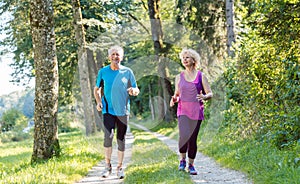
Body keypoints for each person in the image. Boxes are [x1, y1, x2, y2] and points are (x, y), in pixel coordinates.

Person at [94, 45, 140, 179]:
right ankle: (107, 166)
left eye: (118, 54)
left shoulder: (127, 72)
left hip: (123, 110)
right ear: (109, 57)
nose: (115, 57)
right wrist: (98, 101)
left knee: (121, 139)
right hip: (108, 110)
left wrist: (133, 91)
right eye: (113, 54)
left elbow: (136, 89)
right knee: (108, 138)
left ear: (122, 57)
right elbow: (97, 89)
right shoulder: (103, 72)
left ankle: (120, 167)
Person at [170, 48, 213, 175]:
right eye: (183, 58)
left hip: (196, 111)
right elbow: (177, 94)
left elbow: (210, 93)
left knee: (192, 139)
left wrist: (205, 97)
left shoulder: (201, 76)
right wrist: (174, 99)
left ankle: (191, 164)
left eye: (187, 57)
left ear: (194, 60)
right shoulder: (179, 77)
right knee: (184, 135)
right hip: (183, 109)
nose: (184, 60)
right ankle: (182, 160)